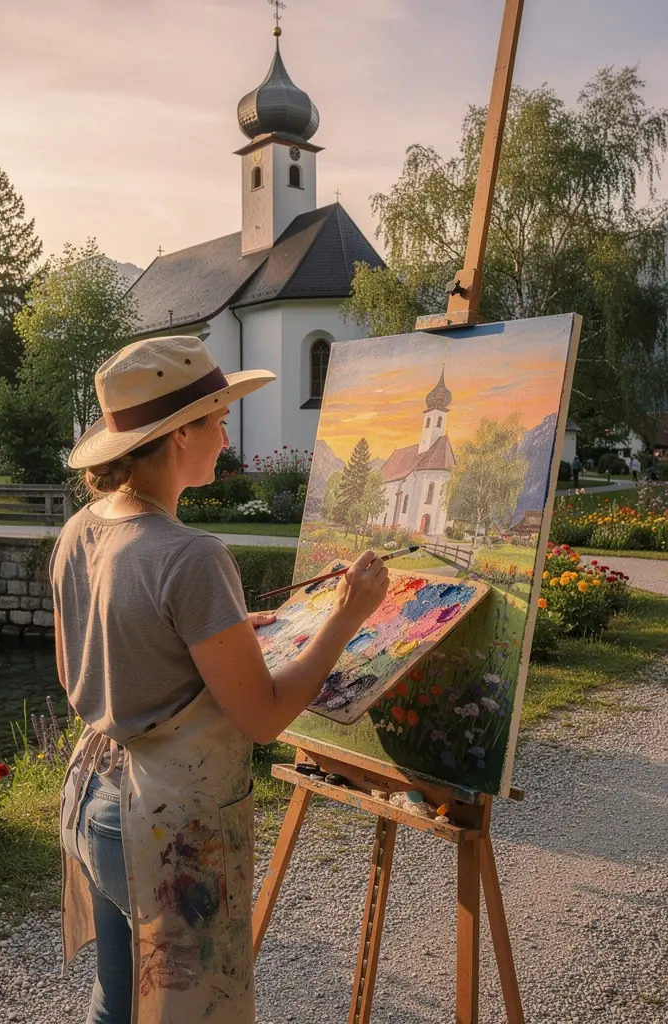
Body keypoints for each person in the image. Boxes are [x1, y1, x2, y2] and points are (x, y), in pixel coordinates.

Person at [50, 336, 389, 1024]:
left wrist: (220, 639)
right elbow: (264, 718)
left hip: (93, 800)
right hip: (163, 827)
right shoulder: (191, 555)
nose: (227, 437)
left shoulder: (81, 528)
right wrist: (348, 616)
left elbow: (82, 668)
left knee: (117, 1003)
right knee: (191, 1014)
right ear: (180, 433)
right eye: (218, 419)